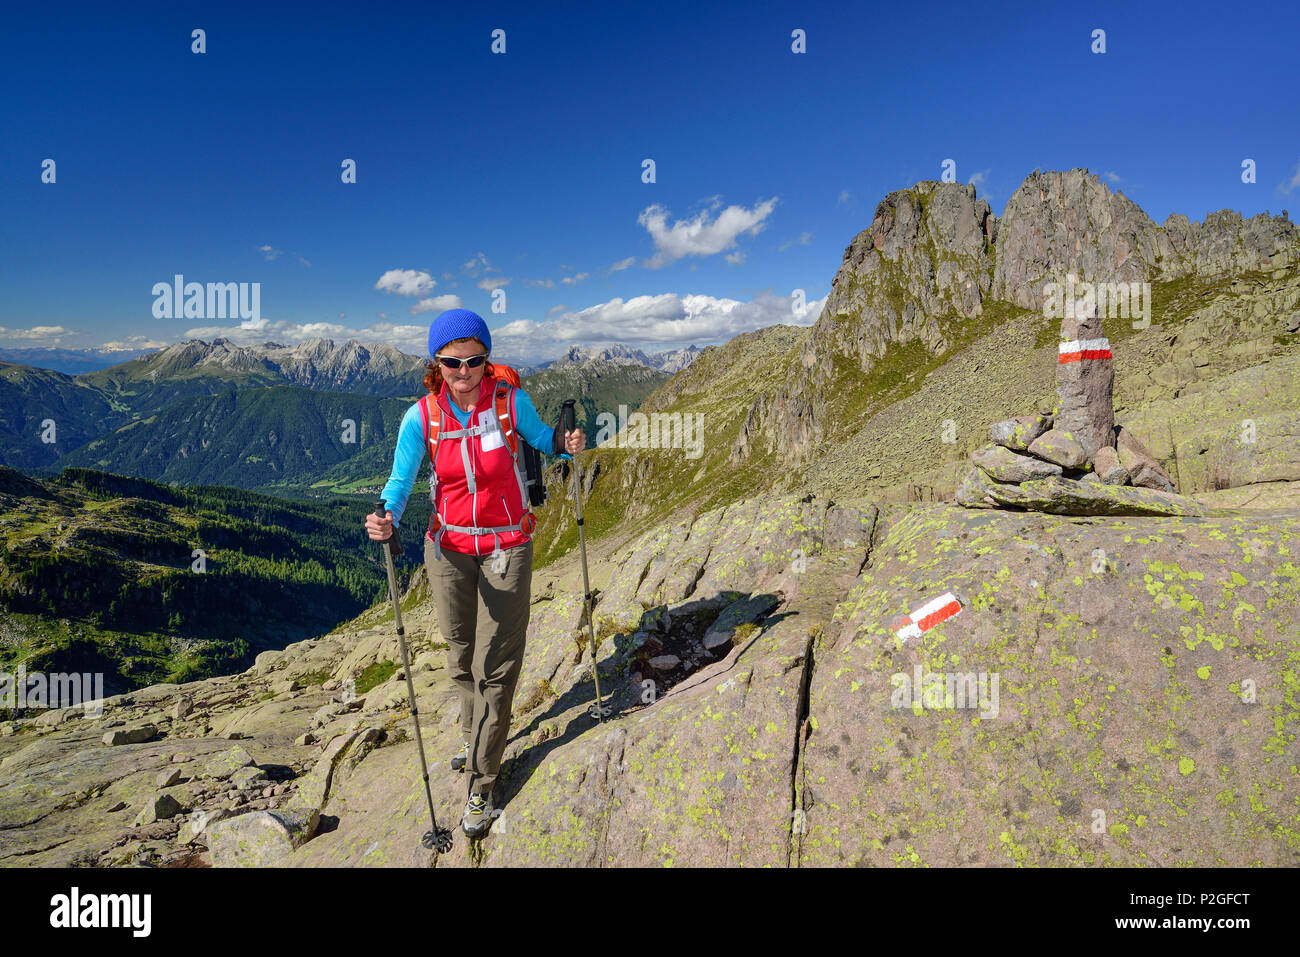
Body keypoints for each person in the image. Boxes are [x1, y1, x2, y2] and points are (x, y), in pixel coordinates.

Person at [363, 308, 585, 837]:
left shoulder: (510, 404)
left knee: (496, 667)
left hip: (508, 547)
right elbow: (401, 477)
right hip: (446, 551)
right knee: (459, 655)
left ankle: (482, 786)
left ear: (488, 361)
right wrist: (387, 512)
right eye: (451, 362)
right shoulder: (423, 416)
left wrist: (565, 442)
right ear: (436, 364)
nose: (464, 371)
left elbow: (542, 438)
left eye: (474, 360)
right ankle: (475, 731)